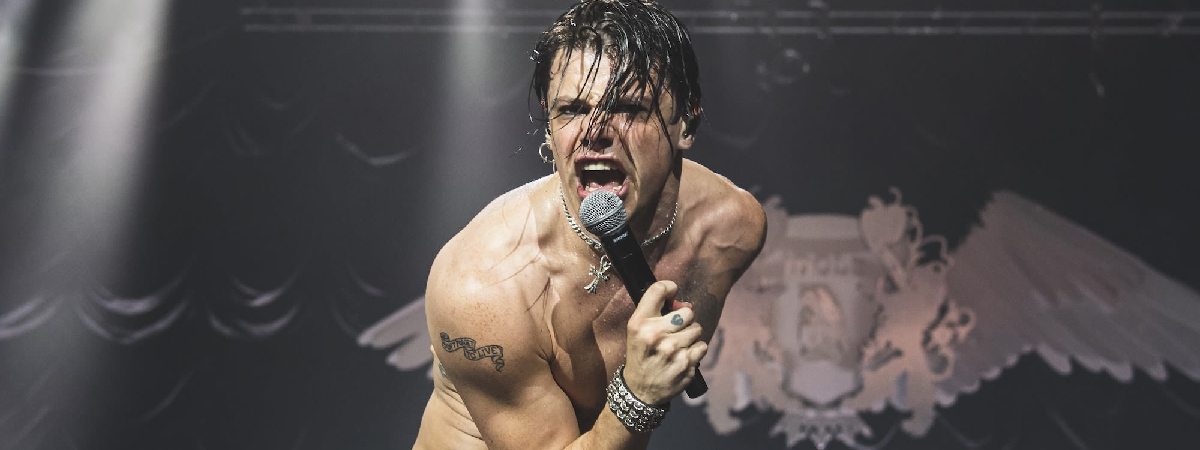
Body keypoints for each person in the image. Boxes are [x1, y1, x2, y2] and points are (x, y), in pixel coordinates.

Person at [413, 1, 767, 449]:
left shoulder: (730, 230)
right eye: (573, 109)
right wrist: (637, 395)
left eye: (629, 108)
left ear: (687, 121)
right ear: (548, 126)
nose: (594, 131)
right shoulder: (485, 284)